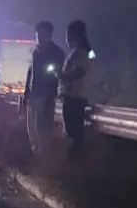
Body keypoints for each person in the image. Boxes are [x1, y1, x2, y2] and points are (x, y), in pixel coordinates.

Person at [22, 20, 65, 154]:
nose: (38, 36)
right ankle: (36, 153)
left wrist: (52, 93)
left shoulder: (56, 52)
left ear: (48, 34)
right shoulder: (36, 52)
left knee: (43, 127)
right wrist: (26, 92)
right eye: (37, 34)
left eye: (41, 33)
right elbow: (31, 72)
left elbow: (58, 74)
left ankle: (45, 157)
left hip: (46, 95)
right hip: (34, 94)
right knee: (32, 127)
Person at [59, 20, 96, 154]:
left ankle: (73, 161)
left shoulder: (80, 51)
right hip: (78, 95)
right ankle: (74, 161)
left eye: (68, 34)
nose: (66, 37)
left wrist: (62, 76)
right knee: (75, 131)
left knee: (72, 132)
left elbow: (80, 72)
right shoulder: (88, 51)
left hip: (74, 96)